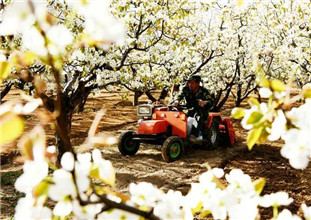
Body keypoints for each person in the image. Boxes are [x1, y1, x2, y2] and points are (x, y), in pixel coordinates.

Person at [173, 75, 215, 140]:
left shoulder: (204, 91)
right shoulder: (185, 89)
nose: (190, 84)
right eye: (189, 82)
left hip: (200, 110)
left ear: (198, 83)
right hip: (188, 109)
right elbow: (179, 96)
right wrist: (176, 101)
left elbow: (211, 101)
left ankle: (198, 134)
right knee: (176, 115)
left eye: (192, 83)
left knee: (198, 116)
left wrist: (204, 102)